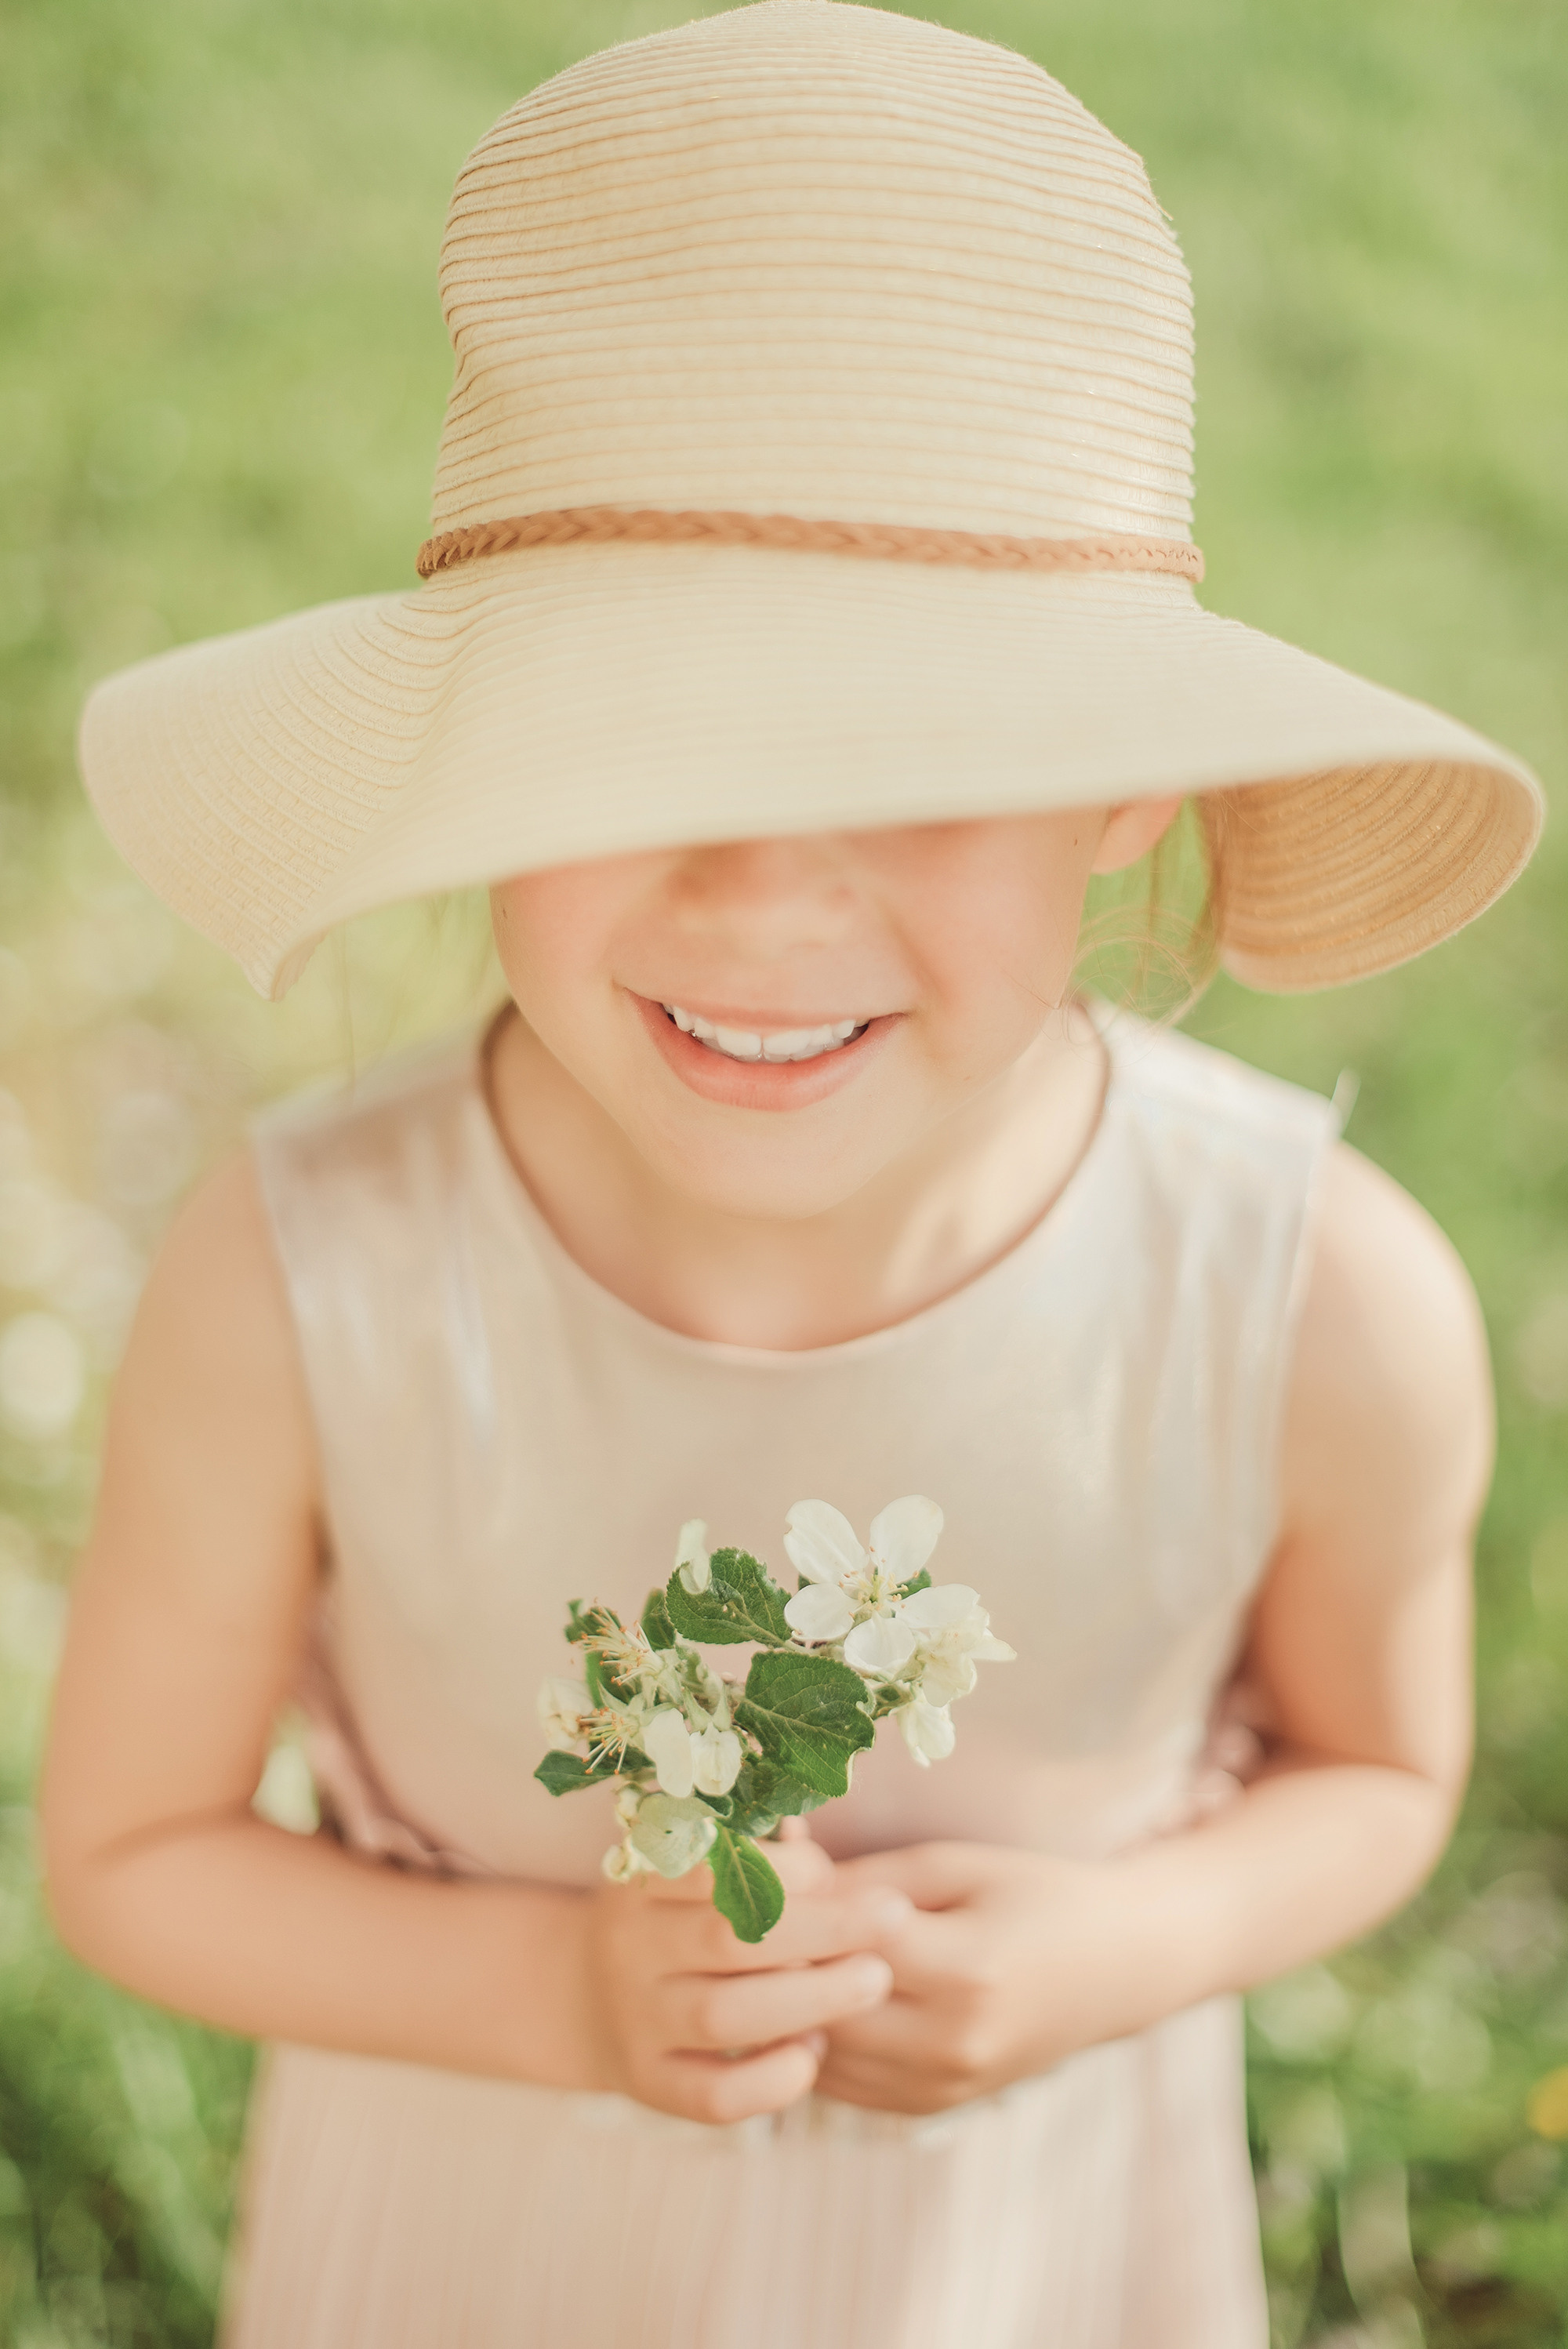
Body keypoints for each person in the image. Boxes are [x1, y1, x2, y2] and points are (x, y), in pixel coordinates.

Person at [42, 4, 1542, 2344]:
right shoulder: (307, 1271)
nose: (763, 897)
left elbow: (1378, 1768)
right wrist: (555, 1998)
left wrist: (1117, 1949)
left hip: (1028, 2262)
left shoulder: (1314, 1299)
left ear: (1132, 783)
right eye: (640, 745)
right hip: (478, 2253)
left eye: (923, 762)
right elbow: (134, 1851)